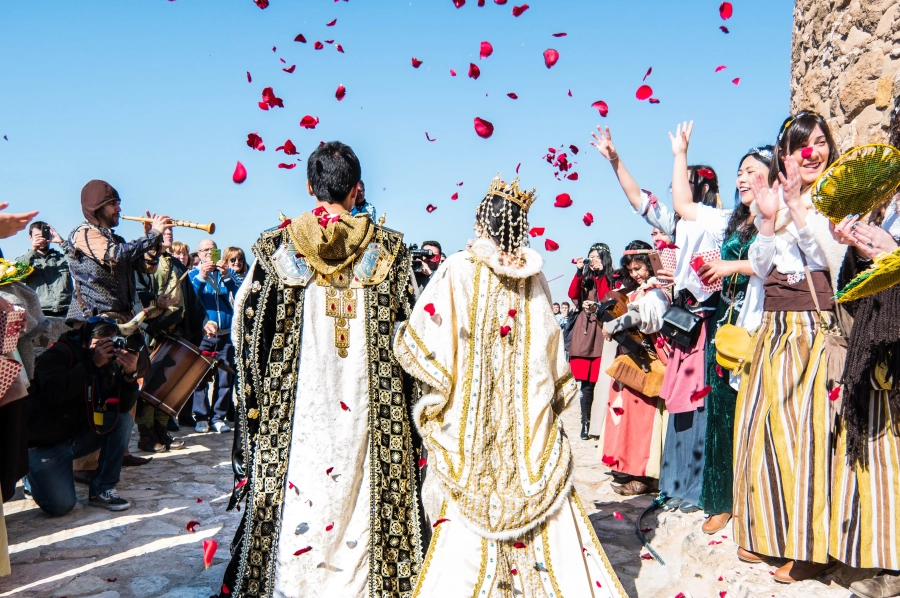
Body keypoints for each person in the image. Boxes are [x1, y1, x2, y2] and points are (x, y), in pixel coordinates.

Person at [394, 175, 627, 598]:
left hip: (471, 418)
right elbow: (550, 348)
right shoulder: (533, 279)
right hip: (526, 425)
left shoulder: (457, 269)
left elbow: (420, 340)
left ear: (482, 223)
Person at [218, 141, 424, 598]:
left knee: (302, 486)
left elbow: (245, 330)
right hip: (371, 410)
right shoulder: (390, 251)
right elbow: (413, 338)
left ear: (310, 187)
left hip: (299, 410)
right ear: (356, 191)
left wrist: (256, 405)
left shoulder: (276, 248)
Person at [733, 112, 843, 583]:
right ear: (786, 155)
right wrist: (765, 217)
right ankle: (767, 532)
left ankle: (811, 547)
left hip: (812, 327)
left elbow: (828, 260)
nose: (812, 152)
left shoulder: (838, 197)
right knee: (763, 433)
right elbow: (761, 265)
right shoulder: (778, 198)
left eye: (820, 143)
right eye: (802, 145)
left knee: (807, 437)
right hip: (774, 329)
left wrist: (796, 209)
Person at [669, 129, 775, 533]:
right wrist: (681, 154)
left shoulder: (774, 217)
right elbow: (682, 203)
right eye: (740, 172)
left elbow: (771, 262)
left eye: (752, 171)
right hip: (723, 324)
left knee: (751, 412)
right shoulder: (729, 220)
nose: (743, 178)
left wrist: (733, 266)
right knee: (721, 414)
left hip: (757, 319)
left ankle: (752, 502)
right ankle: (719, 499)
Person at [24, 317, 141, 514]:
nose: (104, 349)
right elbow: (56, 394)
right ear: (85, 342)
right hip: (45, 444)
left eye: (110, 343)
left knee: (121, 421)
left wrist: (130, 376)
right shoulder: (58, 355)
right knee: (59, 507)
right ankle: (29, 472)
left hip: (77, 437)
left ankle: (102, 488)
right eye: (99, 344)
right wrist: (92, 365)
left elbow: (120, 407)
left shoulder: (108, 364)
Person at [600, 240, 671, 496]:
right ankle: (627, 466)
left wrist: (616, 324)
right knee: (625, 415)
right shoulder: (632, 292)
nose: (635, 274)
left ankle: (646, 475)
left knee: (643, 419)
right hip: (628, 360)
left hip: (647, 363)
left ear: (650, 266)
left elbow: (644, 318)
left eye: (639, 268)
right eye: (631, 270)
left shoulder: (657, 291)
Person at [65, 179, 173, 325]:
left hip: (122, 320)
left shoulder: (117, 239)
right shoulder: (83, 233)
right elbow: (115, 256)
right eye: (113, 204)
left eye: (119, 204)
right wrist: (152, 235)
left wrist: (152, 243)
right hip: (94, 322)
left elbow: (148, 267)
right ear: (97, 207)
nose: (119, 209)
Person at [189, 238, 239, 434]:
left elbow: (240, 290)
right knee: (199, 377)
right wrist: (202, 275)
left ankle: (218, 417)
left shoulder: (226, 274)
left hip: (225, 336)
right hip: (203, 336)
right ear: (199, 254)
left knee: (225, 378)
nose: (210, 253)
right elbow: (191, 296)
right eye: (205, 251)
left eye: (213, 250)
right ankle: (201, 418)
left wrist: (226, 274)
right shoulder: (193, 274)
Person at [568, 243, 614, 440]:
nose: (593, 260)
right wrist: (579, 272)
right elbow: (572, 295)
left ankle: (599, 424)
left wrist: (601, 274)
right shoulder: (585, 278)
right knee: (585, 383)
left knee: (600, 380)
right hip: (585, 330)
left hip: (602, 329)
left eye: (597, 257)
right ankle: (585, 424)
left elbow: (607, 297)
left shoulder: (611, 277)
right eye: (590, 257)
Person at [16, 221, 73, 317]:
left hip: (67, 311)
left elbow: (80, 266)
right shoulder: (25, 260)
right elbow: (19, 276)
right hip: (40, 313)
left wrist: (62, 242)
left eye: (44, 235)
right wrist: (33, 250)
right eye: (38, 236)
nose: (42, 239)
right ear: (30, 238)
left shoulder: (62, 258)